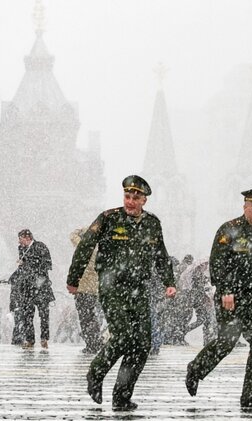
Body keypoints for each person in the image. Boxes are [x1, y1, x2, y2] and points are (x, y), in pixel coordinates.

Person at [67, 175, 176, 412]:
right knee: (124, 335)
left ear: (144, 200)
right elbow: (85, 246)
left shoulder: (152, 224)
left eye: (136, 198)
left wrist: (169, 281)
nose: (130, 201)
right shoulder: (108, 218)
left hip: (138, 289)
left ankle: (122, 396)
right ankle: (95, 374)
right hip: (111, 286)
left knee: (142, 344)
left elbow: (160, 254)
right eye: (127, 196)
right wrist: (73, 279)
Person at [184, 187, 252, 410]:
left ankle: (249, 396)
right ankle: (196, 369)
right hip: (232, 296)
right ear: (245, 206)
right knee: (227, 342)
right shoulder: (229, 230)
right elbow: (217, 263)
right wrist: (226, 289)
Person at [14, 230, 54, 349]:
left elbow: (47, 264)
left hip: (40, 286)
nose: (19, 241)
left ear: (27, 237)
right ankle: (30, 339)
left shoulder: (40, 246)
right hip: (27, 287)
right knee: (27, 314)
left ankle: (44, 338)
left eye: (20, 238)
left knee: (44, 314)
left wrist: (28, 264)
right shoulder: (21, 249)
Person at [69, 228, 104, 354]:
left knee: (85, 317)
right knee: (91, 316)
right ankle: (96, 341)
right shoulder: (98, 249)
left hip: (83, 288)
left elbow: (72, 235)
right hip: (94, 288)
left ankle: (92, 344)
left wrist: (88, 229)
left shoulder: (85, 247)